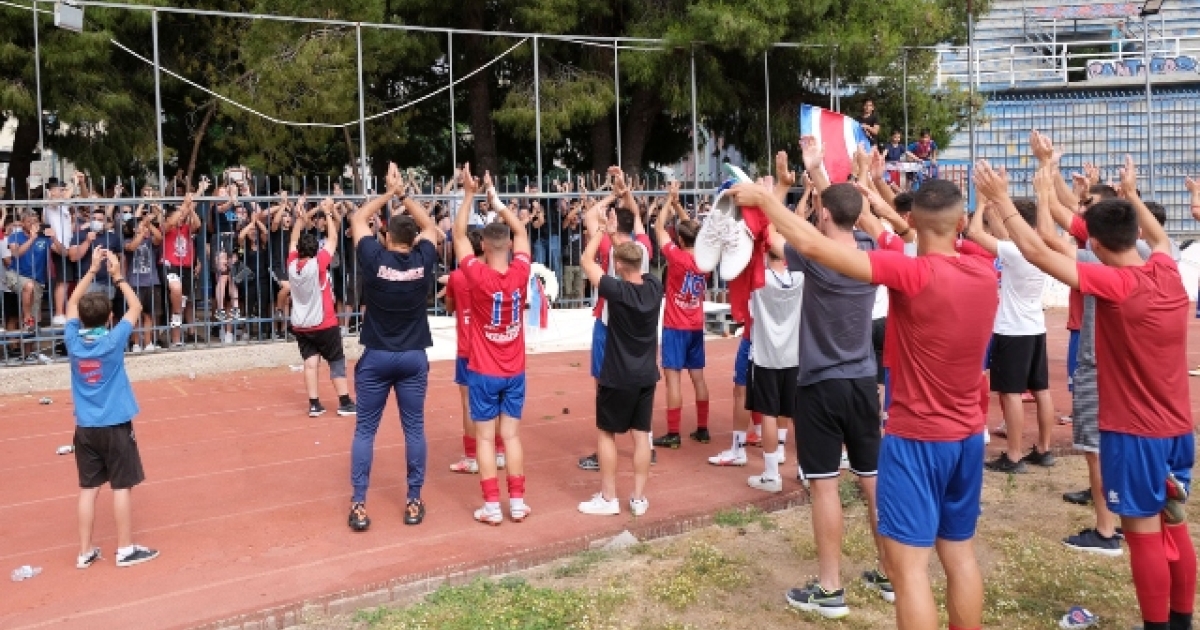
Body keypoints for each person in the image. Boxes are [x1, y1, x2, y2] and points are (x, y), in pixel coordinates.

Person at [731, 142, 998, 630]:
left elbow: (814, 246)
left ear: (911, 221)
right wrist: (856, 189)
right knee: (960, 556)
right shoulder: (983, 271)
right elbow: (879, 233)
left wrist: (769, 199)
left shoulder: (910, 272)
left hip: (917, 437)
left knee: (911, 571)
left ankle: (830, 585)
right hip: (966, 435)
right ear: (962, 222)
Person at [980, 156, 1195, 630]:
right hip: (1178, 428)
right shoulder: (1166, 267)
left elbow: (1037, 253)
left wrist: (1001, 200)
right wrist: (1130, 194)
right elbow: (1158, 237)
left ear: (1093, 245)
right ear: (1136, 234)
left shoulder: (1115, 283)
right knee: (1175, 522)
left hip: (1135, 433)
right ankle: (1180, 622)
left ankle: (1158, 626)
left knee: (1143, 533)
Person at [759, 150, 887, 619]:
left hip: (820, 383)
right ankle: (892, 574)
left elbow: (774, 236)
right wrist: (820, 173)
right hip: (863, 380)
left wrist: (778, 188)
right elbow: (846, 212)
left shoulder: (813, 256)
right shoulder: (871, 252)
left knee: (826, 485)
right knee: (872, 481)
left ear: (825, 214)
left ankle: (831, 589)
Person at [345, 163, 442, 531]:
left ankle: (359, 504)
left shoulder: (375, 258)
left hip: (377, 355)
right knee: (414, 429)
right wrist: (404, 195)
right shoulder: (423, 258)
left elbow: (357, 219)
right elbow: (430, 228)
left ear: (386, 237)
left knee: (365, 431)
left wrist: (387, 193)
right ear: (413, 240)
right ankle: (414, 500)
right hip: (413, 356)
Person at [66, 246, 159, 569]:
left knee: (88, 488)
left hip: (85, 427)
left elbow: (71, 303)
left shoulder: (73, 341)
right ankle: (125, 549)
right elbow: (136, 306)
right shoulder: (113, 340)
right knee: (122, 486)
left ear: (80, 319)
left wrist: (92, 270)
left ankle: (84, 551)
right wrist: (118, 276)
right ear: (109, 318)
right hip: (115, 424)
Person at [452, 166, 533, 526]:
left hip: (484, 369)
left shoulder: (477, 275)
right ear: (509, 246)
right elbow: (522, 232)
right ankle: (517, 501)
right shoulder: (521, 272)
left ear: (483, 246)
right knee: (510, 436)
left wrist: (469, 194)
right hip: (514, 368)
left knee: (485, 439)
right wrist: (497, 203)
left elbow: (457, 234)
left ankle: (491, 505)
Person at [576, 203, 663, 517]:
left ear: (617, 265)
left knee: (607, 434)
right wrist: (616, 239)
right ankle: (638, 498)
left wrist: (601, 231)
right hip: (646, 374)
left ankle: (609, 497)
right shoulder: (654, 287)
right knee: (641, 437)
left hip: (617, 374)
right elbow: (631, 261)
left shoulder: (615, 291)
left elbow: (586, 261)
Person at [963, 198, 1056, 473]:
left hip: (1012, 329)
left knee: (1010, 392)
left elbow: (974, 232)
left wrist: (982, 204)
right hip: (1035, 326)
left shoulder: (1015, 251)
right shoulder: (1041, 248)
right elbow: (1004, 235)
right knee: (1041, 389)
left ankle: (1014, 456)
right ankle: (1044, 448)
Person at [578, 167, 655, 472]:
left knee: (605, 386)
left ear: (612, 222)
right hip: (640, 325)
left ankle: (605, 447)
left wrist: (612, 195)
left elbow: (589, 216)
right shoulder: (643, 247)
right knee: (641, 392)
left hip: (611, 323)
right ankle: (646, 443)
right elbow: (636, 219)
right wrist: (625, 193)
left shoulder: (608, 246)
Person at [651, 181, 711, 448]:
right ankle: (703, 428)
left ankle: (674, 433)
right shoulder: (705, 260)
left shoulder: (677, 257)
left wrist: (668, 201)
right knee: (698, 378)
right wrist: (678, 206)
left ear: (680, 240)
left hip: (675, 325)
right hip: (695, 324)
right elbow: (693, 231)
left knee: (673, 379)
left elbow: (658, 228)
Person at [445, 230, 507, 475]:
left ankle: (472, 457)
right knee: (498, 400)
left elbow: (450, 307)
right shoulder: (497, 273)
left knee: (468, 404)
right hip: (493, 345)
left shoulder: (458, 276)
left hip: (468, 347)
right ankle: (499, 451)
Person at [288, 198, 355, 418]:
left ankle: (314, 404)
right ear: (316, 250)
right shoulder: (318, 264)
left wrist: (299, 220)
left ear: (299, 251)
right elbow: (333, 238)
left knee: (310, 363)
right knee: (336, 360)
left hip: (301, 324)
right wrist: (327, 212)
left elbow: (293, 240)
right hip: (323, 322)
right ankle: (344, 401)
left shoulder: (292, 265)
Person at [161, 191, 203, 349]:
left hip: (186, 268)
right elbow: (170, 223)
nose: (180, 218)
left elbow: (197, 224)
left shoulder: (186, 228)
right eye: (177, 215)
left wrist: (190, 209)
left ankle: (176, 338)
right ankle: (175, 323)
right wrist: (184, 205)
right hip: (170, 266)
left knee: (181, 304)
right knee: (176, 290)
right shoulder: (166, 227)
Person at [123, 207, 164, 352]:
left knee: (149, 315)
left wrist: (149, 224)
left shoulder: (150, 241)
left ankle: (148, 343)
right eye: (141, 225)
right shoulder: (127, 241)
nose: (145, 228)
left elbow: (159, 238)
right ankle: (136, 343)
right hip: (135, 283)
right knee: (136, 315)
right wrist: (141, 233)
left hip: (152, 282)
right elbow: (132, 247)